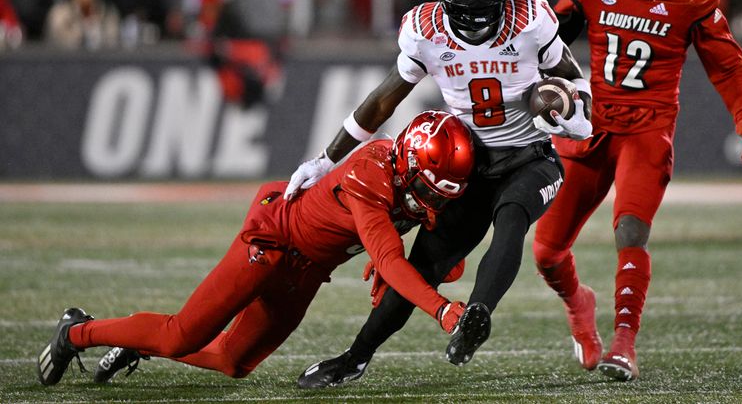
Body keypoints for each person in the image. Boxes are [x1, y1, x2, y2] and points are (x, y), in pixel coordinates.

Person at [288, 0, 593, 389]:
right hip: (468, 166)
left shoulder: (532, 18)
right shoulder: (425, 30)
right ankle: (355, 356)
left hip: (530, 157)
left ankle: (478, 313)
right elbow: (381, 101)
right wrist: (326, 159)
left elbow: (576, 82)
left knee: (512, 217)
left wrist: (571, 113)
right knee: (422, 266)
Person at [36, 110, 474, 386]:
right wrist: (441, 310)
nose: (432, 201)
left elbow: (416, 250)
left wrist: (438, 264)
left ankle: (139, 343)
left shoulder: (416, 182)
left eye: (441, 195)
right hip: (273, 241)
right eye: (428, 190)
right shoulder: (370, 174)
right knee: (182, 334)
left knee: (233, 361)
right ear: (407, 164)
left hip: (307, 270)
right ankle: (76, 332)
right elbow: (390, 259)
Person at [533, 0, 742, 382]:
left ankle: (624, 345)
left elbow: (727, 65)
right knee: (547, 251)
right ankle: (581, 308)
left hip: (647, 129)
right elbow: (548, 38)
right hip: (591, 126)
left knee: (630, 230)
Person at [45, 0, 120, 51]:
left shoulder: (107, 11)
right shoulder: (59, 12)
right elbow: (58, 38)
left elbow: (113, 38)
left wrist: (94, 23)